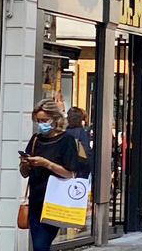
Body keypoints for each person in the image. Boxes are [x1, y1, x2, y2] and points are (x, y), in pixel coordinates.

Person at [19, 100, 89, 251]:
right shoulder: (36, 140)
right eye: (38, 121)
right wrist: (25, 163)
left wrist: (46, 163)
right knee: (38, 246)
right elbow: (25, 174)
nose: (41, 124)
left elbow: (70, 173)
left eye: (45, 120)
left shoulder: (66, 140)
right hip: (36, 201)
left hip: (55, 202)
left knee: (41, 246)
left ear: (55, 119)